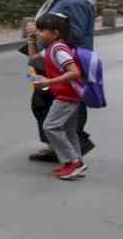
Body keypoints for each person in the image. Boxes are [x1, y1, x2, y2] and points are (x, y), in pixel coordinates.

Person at [24, 0, 96, 162]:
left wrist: (39, 32)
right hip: (52, 60)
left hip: (64, 61)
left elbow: (76, 33)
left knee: (62, 103)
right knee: (44, 101)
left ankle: (72, 147)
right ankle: (58, 146)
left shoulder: (75, 2)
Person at [28, 13, 87, 180]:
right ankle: (75, 163)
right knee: (69, 131)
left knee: (50, 126)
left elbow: (74, 72)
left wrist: (50, 81)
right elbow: (34, 60)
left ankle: (73, 161)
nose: (38, 33)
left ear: (55, 32)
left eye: (42, 30)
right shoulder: (52, 47)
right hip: (69, 94)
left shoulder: (58, 50)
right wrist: (31, 41)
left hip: (66, 95)